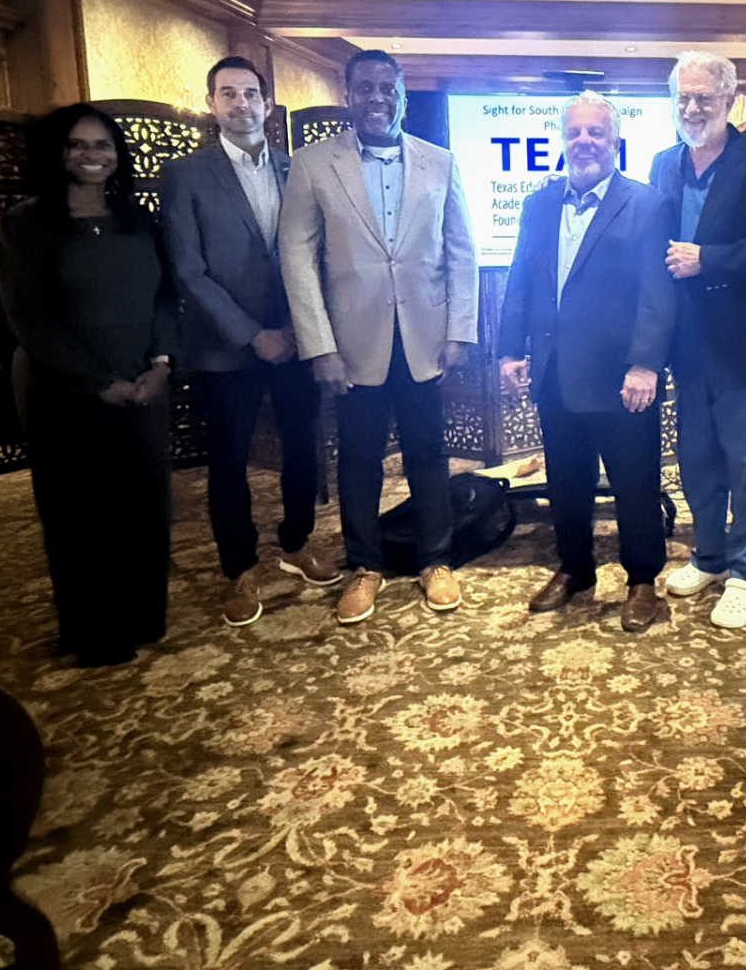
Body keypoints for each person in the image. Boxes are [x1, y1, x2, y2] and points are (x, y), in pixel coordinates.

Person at [279, 49, 478, 625]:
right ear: (348, 94)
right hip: (351, 343)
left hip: (425, 338)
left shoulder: (440, 162)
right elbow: (296, 258)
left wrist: (459, 331)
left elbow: (461, 252)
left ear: (402, 96)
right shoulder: (313, 164)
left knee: (428, 454)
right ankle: (364, 566)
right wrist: (319, 345)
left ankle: (436, 561)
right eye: (365, 87)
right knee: (360, 458)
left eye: (387, 88)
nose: (376, 98)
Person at [0, 105, 178, 667]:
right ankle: (94, 631)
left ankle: (143, 615)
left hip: (144, 383)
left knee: (145, 504)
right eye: (77, 145)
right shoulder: (23, 225)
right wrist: (98, 381)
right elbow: (29, 318)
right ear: (57, 153)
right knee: (80, 512)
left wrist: (161, 363)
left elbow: (164, 297)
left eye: (102, 145)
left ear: (118, 155)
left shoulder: (137, 220)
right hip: (64, 389)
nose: (91, 155)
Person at [161, 56, 338, 629]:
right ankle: (239, 566)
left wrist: (292, 327)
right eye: (228, 94)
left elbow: (316, 254)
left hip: (294, 335)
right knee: (230, 459)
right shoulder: (186, 175)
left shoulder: (297, 169)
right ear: (211, 104)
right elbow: (187, 271)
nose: (241, 104)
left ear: (268, 104)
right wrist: (251, 333)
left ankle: (297, 542)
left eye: (251, 94)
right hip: (226, 345)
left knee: (303, 445)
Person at [497, 92, 676, 633]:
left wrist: (645, 364)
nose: (584, 141)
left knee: (635, 484)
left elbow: (657, 293)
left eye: (596, 132)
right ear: (563, 140)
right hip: (556, 372)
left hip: (622, 378)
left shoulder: (646, 203)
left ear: (615, 141)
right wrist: (510, 349)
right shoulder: (538, 205)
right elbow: (521, 279)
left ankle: (642, 581)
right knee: (566, 480)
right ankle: (575, 568)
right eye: (575, 132)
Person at [650, 51, 746, 629]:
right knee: (696, 459)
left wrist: (709, 259)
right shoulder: (663, 163)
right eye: (684, 98)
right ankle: (710, 556)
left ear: (728, 100)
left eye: (704, 97)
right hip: (684, 343)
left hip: (742, 341)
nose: (693, 108)